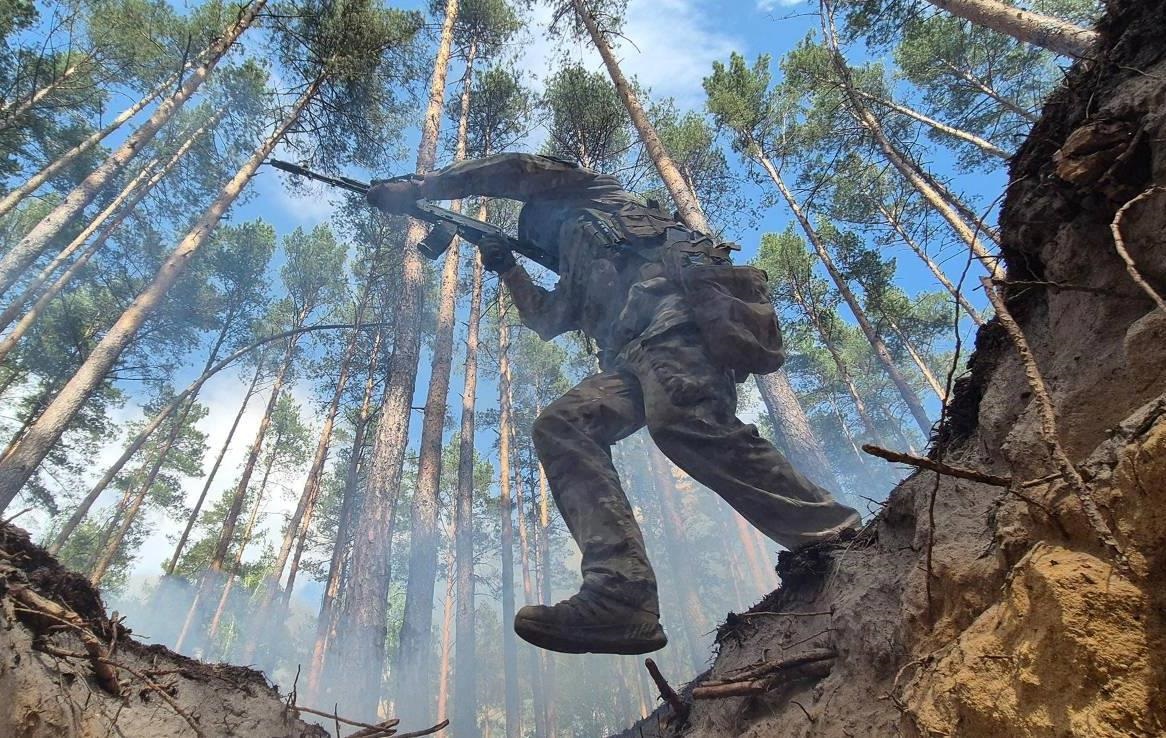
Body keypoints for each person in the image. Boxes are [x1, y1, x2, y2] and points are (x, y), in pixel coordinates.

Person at [368, 153, 861, 656]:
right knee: (562, 425)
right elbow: (546, 320)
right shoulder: (576, 273)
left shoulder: (594, 193)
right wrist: (509, 266)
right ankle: (620, 594)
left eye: (540, 232)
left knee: (683, 422)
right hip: (629, 357)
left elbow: (516, 169)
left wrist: (423, 187)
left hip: (677, 320)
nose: (548, 242)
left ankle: (832, 532)